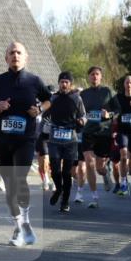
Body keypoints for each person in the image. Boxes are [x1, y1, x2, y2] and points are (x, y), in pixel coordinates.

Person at [0, 41, 51, 247]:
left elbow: (49, 100)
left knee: (19, 180)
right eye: (11, 53)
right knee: (10, 187)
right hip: (3, 139)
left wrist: (40, 109)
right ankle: (20, 226)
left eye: (19, 52)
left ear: (26, 57)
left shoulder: (34, 81)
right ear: (6, 58)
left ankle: (23, 226)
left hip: (25, 139)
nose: (15, 55)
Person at [46, 71, 86, 213]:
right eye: (61, 82)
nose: (63, 84)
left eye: (66, 82)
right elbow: (45, 115)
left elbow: (83, 116)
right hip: (55, 138)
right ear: (59, 83)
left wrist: (82, 121)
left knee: (66, 172)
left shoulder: (76, 98)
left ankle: (65, 201)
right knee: (55, 169)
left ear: (70, 84)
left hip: (70, 139)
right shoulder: (54, 98)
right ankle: (58, 189)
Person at [78, 66, 115, 208]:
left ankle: (105, 173)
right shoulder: (83, 95)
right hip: (88, 133)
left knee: (99, 168)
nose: (94, 77)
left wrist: (109, 115)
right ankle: (94, 197)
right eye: (92, 74)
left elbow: (117, 110)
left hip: (103, 133)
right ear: (89, 77)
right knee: (89, 162)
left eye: (97, 74)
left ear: (101, 77)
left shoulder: (108, 92)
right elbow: (78, 112)